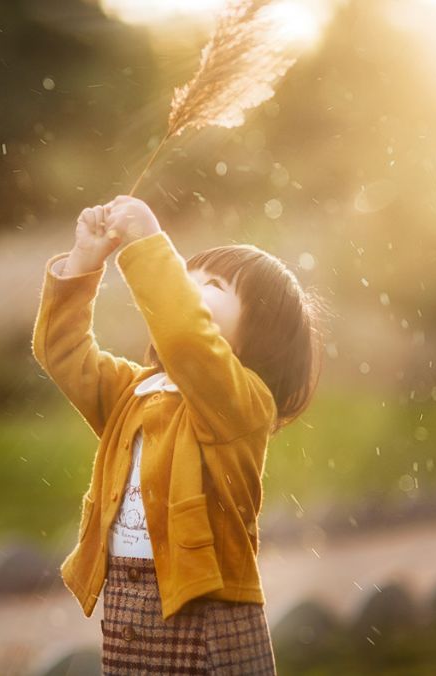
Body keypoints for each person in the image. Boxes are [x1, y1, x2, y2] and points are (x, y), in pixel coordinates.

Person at [32, 195, 328, 674]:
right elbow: (60, 350)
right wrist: (84, 263)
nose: (187, 291)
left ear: (262, 333)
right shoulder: (137, 390)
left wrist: (148, 240)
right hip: (128, 602)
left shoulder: (242, 402)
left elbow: (187, 336)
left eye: (211, 286)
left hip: (206, 609)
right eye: (185, 280)